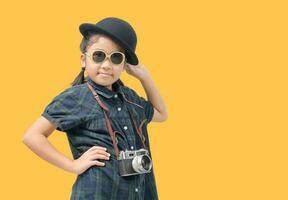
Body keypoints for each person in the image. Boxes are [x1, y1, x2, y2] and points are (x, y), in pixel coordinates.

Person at [22, 17, 168, 200]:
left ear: (124, 66)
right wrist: (72, 165)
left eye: (116, 58)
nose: (106, 65)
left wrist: (145, 78)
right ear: (84, 59)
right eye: (99, 55)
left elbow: (161, 114)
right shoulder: (77, 97)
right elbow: (32, 136)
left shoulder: (130, 98)